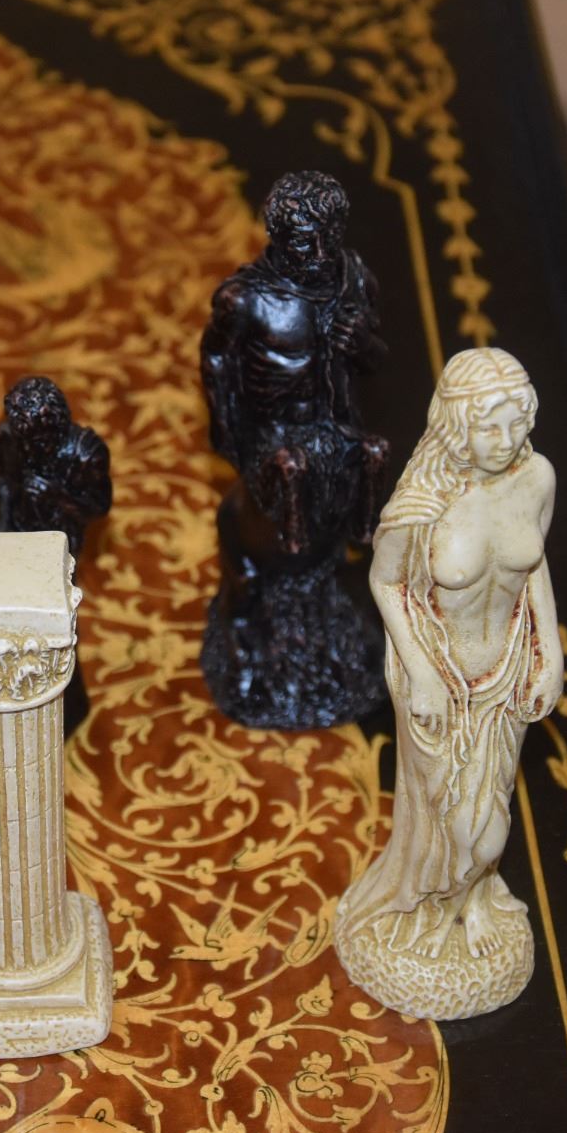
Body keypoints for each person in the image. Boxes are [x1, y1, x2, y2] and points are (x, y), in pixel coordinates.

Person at [335, 347, 563, 1019]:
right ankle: (423, 908)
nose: (506, 439)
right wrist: (423, 674)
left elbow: (536, 567)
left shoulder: (537, 478)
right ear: (457, 426)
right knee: (460, 826)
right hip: (436, 677)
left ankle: (469, 903)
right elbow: (388, 583)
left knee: (493, 808)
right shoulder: (424, 502)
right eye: (488, 426)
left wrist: (550, 652)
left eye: (516, 422)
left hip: (506, 674)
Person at [198, 170, 389, 729]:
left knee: (376, 452)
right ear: (278, 237)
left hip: (333, 424)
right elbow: (215, 362)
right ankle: (292, 541)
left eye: (331, 237)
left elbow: (377, 360)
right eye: (307, 242)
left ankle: (360, 533)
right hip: (273, 434)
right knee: (291, 468)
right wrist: (229, 434)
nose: (321, 254)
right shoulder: (246, 299)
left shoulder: (352, 278)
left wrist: (363, 344)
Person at [0, 375, 111, 557]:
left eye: (37, 441)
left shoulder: (85, 453)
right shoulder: (7, 438)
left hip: (62, 539)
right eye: (23, 440)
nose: (28, 448)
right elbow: (5, 481)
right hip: (17, 526)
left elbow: (98, 508)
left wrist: (55, 495)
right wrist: (3, 526)